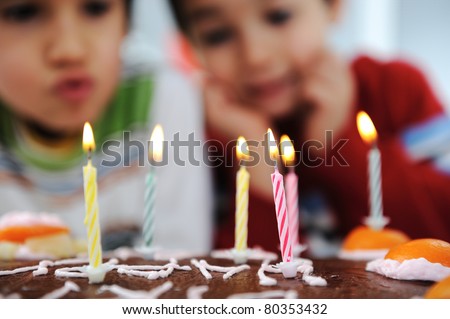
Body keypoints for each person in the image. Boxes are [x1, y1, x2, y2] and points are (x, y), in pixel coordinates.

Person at [167, 0, 450, 253]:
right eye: (218, 35)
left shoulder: (395, 91)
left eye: (279, 16)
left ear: (334, 5)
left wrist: (340, 137)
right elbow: (241, 289)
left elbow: (438, 241)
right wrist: (257, 153)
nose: (256, 56)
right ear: (191, 47)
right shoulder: (203, 133)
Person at [0, 0, 212, 253]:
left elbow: (181, 255)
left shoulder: (161, 97)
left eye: (96, 8)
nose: (70, 50)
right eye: (23, 13)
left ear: (127, 26)